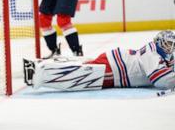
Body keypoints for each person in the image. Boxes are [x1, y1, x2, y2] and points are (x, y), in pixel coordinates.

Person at [24, 30, 175, 91]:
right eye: (168, 44)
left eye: (172, 45)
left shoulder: (160, 53)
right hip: (116, 69)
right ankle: (40, 75)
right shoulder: (152, 53)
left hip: (115, 60)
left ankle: (42, 67)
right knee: (81, 77)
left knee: (83, 68)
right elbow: (162, 81)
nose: (170, 48)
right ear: (159, 42)